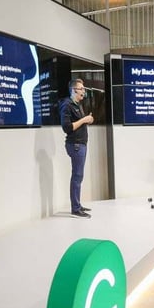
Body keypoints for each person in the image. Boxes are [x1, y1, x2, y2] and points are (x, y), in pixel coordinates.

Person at [60, 78, 94, 218]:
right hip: (75, 145)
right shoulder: (67, 105)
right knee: (77, 176)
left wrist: (88, 120)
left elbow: (80, 123)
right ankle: (75, 208)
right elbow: (67, 128)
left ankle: (78, 205)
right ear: (74, 90)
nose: (84, 91)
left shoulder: (78, 104)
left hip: (81, 144)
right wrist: (84, 120)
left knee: (79, 176)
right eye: (81, 89)